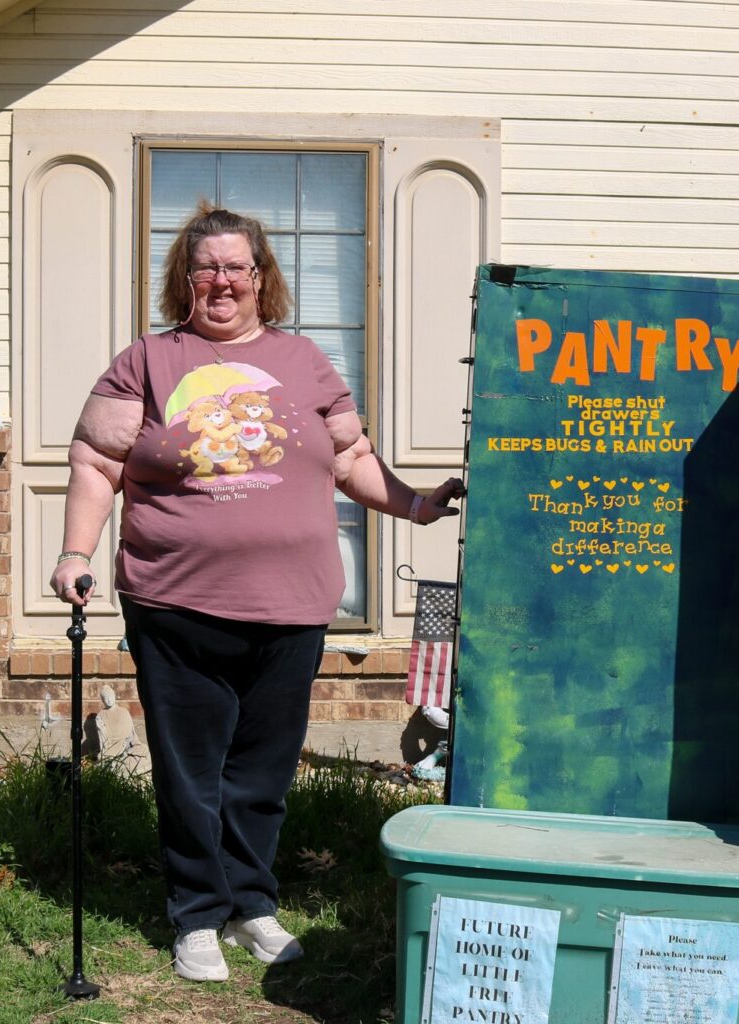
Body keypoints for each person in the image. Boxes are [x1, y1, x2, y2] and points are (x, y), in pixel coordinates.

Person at [52, 203, 463, 982]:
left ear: (261, 278)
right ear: (185, 279)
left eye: (237, 267)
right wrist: (75, 551)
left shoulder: (304, 360)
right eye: (206, 266)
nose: (221, 280)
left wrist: (414, 503)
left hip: (292, 606)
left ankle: (251, 904)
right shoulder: (146, 360)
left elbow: (350, 460)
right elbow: (97, 464)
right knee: (191, 769)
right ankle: (197, 915)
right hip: (177, 604)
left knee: (263, 770)